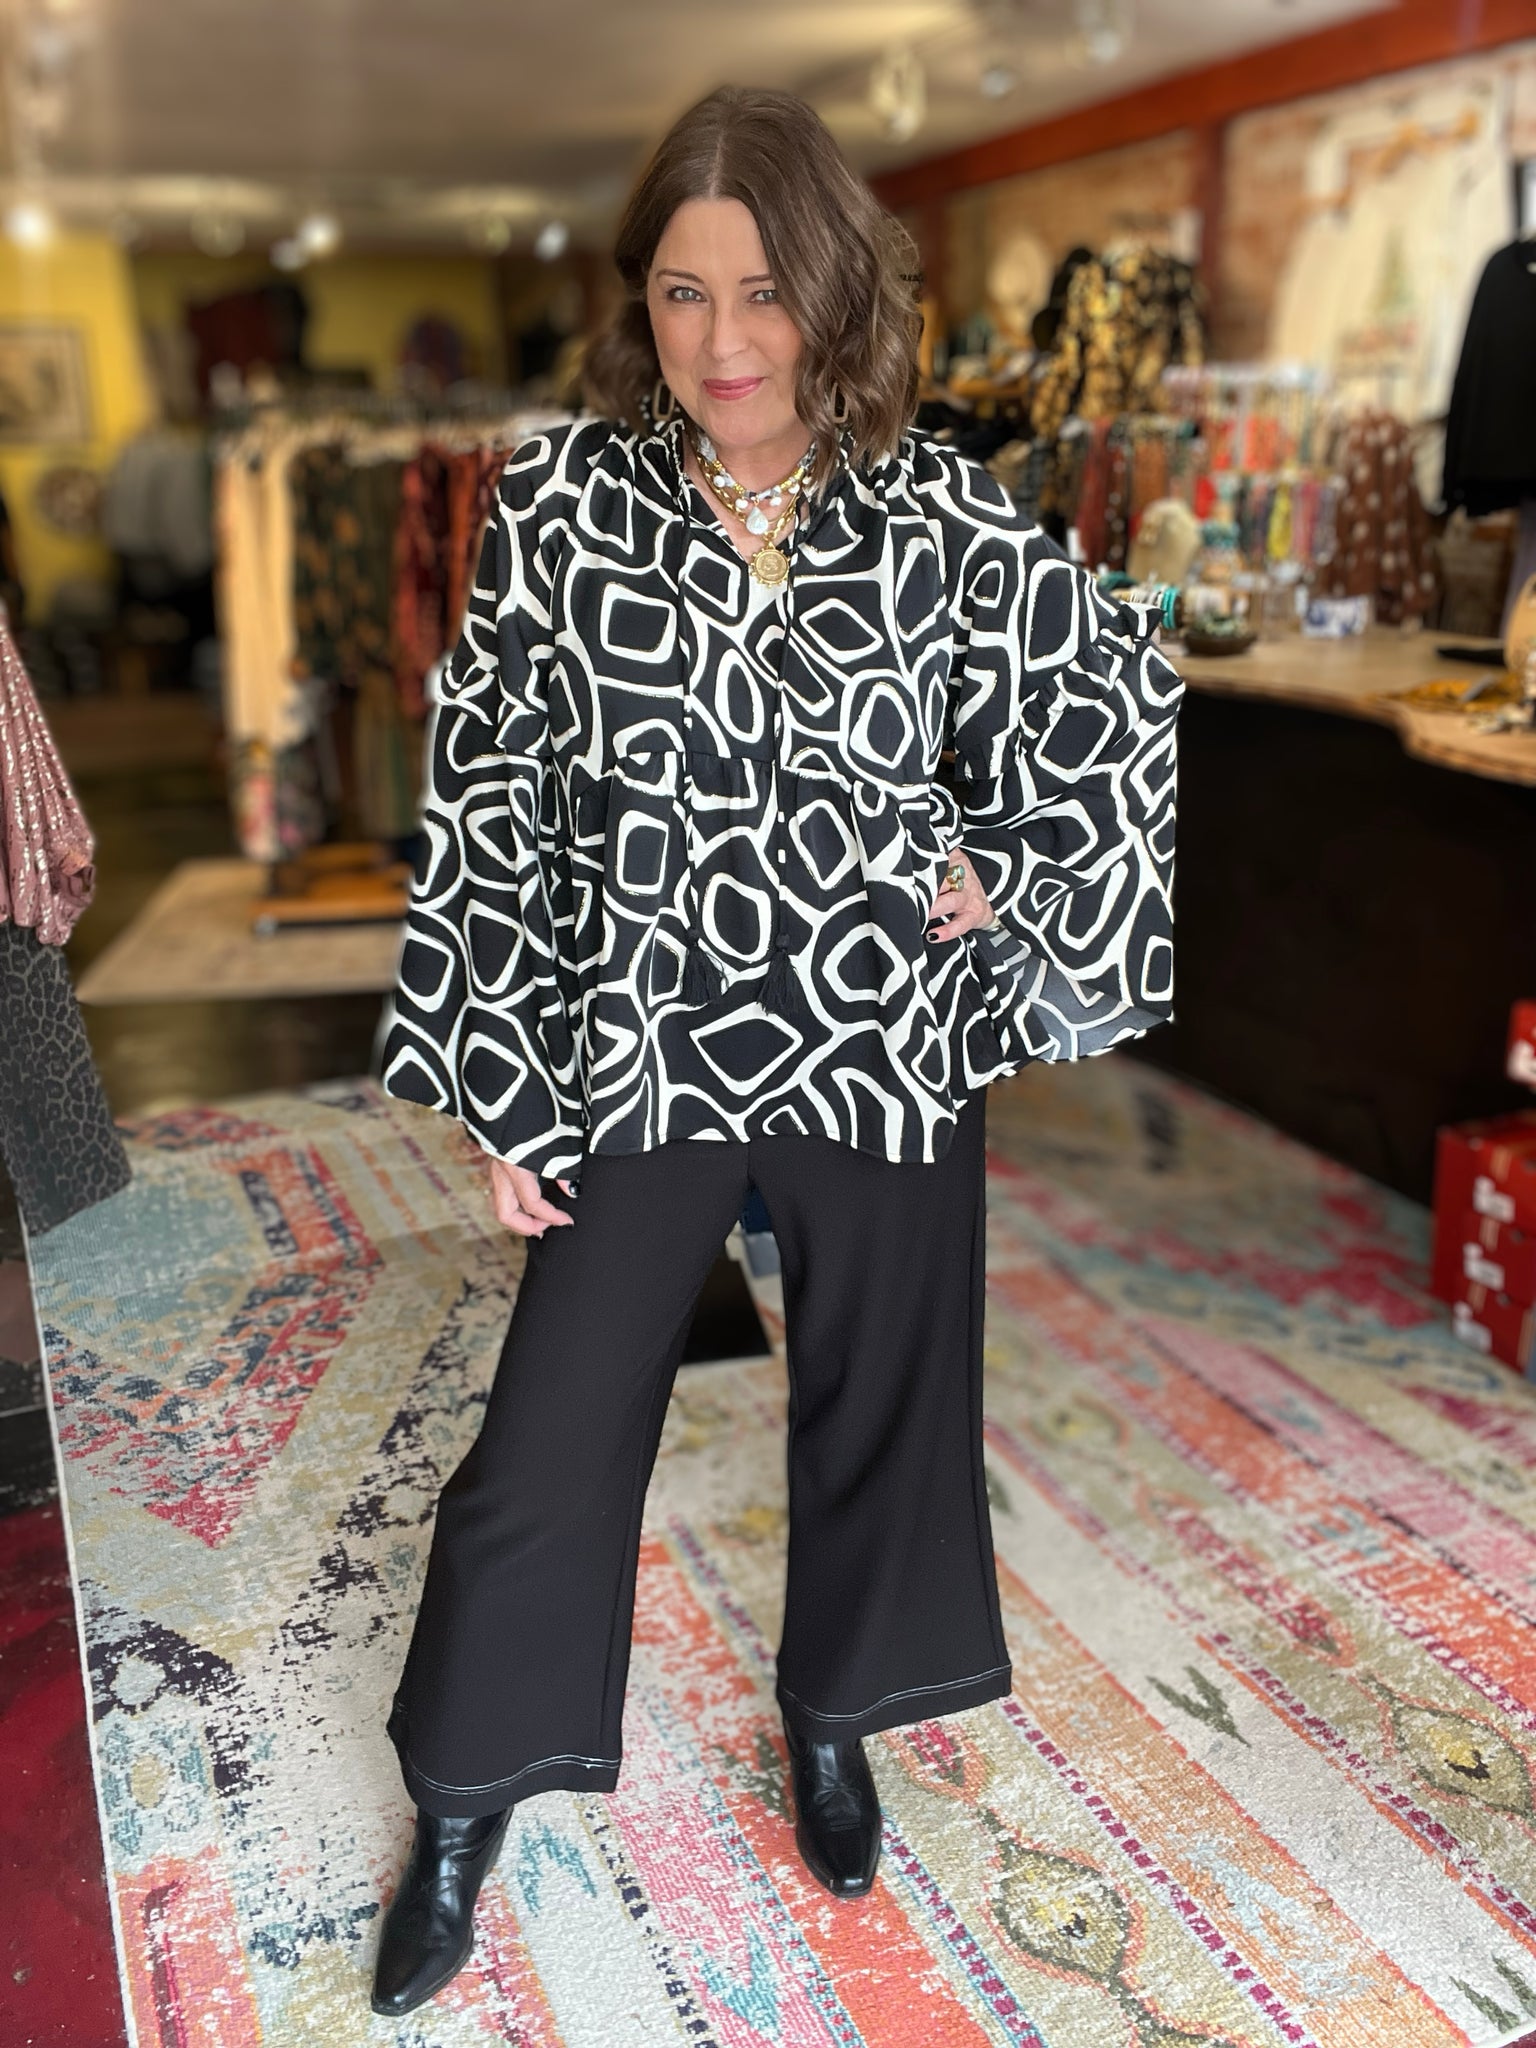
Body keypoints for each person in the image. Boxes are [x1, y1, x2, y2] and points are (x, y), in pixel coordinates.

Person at [370, 85, 1183, 2017]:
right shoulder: (565, 505)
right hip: (643, 1045)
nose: (724, 341)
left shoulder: (945, 510)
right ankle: (467, 1793)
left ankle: (837, 1713)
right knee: (548, 1436)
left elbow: (1107, 707)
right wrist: (506, 1083)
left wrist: (1001, 871)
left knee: (886, 1405)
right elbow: (496, 800)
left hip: (879, 1039)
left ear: (832, 291)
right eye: (682, 293)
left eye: (762, 292)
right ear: (637, 304)